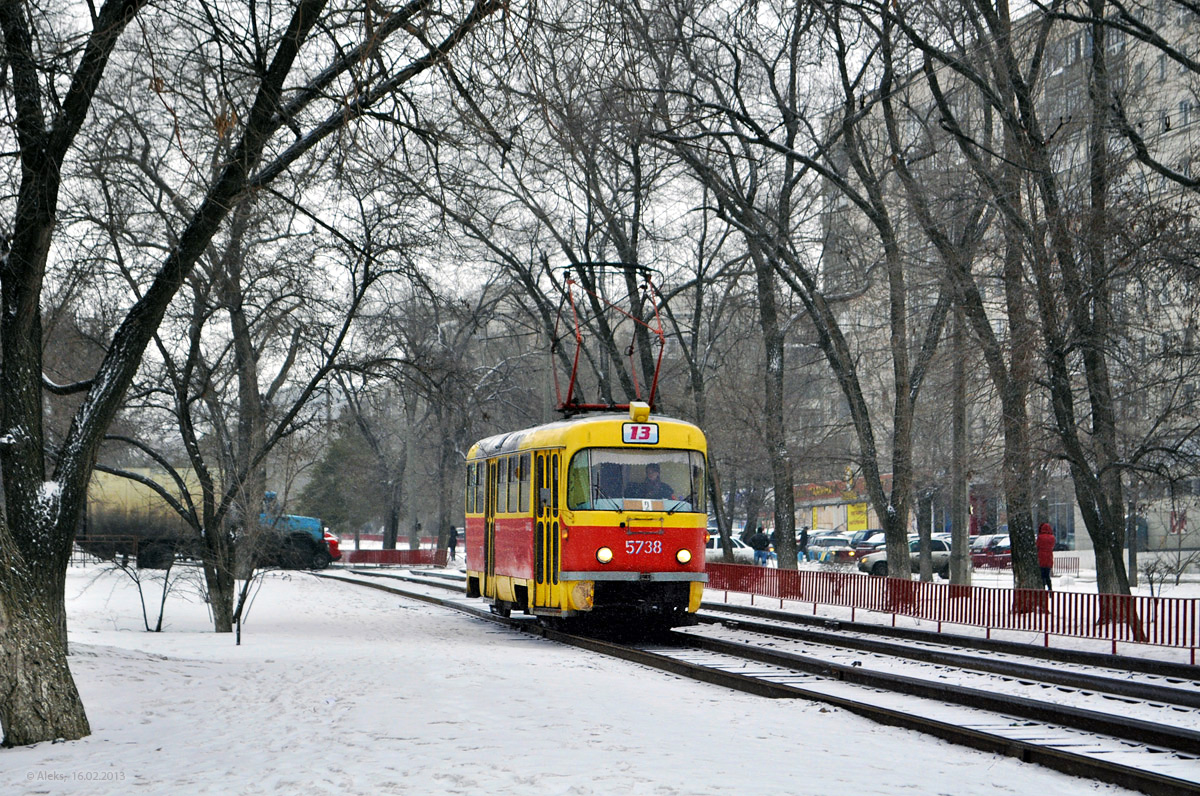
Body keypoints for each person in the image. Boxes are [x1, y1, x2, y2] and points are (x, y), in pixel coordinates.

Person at [1037, 522, 1055, 591]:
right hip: (1049, 558)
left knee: (1042, 576)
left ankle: (1043, 589)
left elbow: (1037, 545)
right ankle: (1050, 589)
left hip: (1041, 558)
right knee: (1047, 575)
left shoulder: (1040, 537)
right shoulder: (1052, 537)